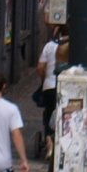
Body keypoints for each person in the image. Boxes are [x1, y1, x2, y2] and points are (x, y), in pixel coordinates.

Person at [34, 24, 69, 158]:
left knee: (49, 112)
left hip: (50, 85)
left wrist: (44, 79)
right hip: (66, 87)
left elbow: (40, 67)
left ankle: (49, 140)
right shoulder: (75, 46)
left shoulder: (49, 46)